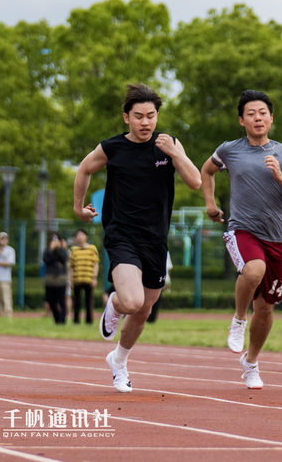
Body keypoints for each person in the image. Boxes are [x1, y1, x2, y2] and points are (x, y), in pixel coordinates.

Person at [74, 83, 201, 393]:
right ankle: (115, 305)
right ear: (126, 118)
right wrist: (78, 207)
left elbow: (195, 181)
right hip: (121, 234)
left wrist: (174, 153)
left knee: (145, 309)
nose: (146, 122)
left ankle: (119, 361)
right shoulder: (112, 147)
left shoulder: (168, 144)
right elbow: (84, 168)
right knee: (132, 302)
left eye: (152, 116)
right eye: (139, 116)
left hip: (155, 238)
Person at [201, 90, 282, 386]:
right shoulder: (229, 150)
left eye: (263, 112)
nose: (257, 117)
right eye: (251, 113)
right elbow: (207, 171)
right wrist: (210, 203)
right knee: (253, 269)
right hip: (242, 229)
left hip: (277, 237)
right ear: (241, 120)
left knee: (265, 310)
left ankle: (251, 363)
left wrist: (281, 177)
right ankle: (237, 319)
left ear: (271, 118)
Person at [68, 229, 100, 325]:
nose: (80, 237)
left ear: (86, 236)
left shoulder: (92, 248)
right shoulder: (73, 250)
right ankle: (76, 321)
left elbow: (96, 263)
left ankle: (89, 321)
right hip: (77, 279)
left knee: (88, 301)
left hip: (88, 278)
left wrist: (94, 277)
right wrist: (71, 280)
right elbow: (71, 266)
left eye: (82, 235)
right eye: (78, 235)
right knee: (77, 301)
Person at [43, 237, 69, 324]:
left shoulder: (63, 251)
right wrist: (51, 249)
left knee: (61, 301)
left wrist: (57, 249)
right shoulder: (47, 251)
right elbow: (46, 260)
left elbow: (63, 259)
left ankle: (62, 320)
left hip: (61, 280)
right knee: (51, 301)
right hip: (49, 280)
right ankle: (57, 318)